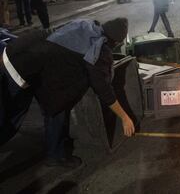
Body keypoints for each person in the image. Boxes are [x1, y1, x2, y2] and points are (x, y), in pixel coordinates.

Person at [0, 18, 135, 168]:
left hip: (16, 51)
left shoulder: (86, 24)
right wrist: (124, 117)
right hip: (22, 68)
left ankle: (55, 153)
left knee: (55, 108)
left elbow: (52, 36)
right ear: (115, 42)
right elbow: (103, 88)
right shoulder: (98, 49)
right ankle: (55, 156)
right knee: (11, 118)